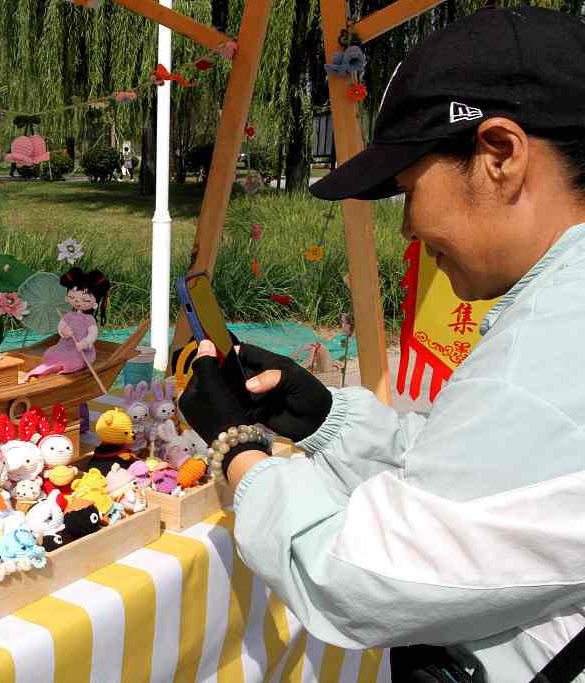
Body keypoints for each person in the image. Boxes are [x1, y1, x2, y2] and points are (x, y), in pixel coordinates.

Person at [178, 7, 585, 682]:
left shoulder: (546, 350)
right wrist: (326, 422)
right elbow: (484, 482)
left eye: (405, 190)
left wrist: (237, 449)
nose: (409, 230)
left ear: (500, 157)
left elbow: (354, 575)